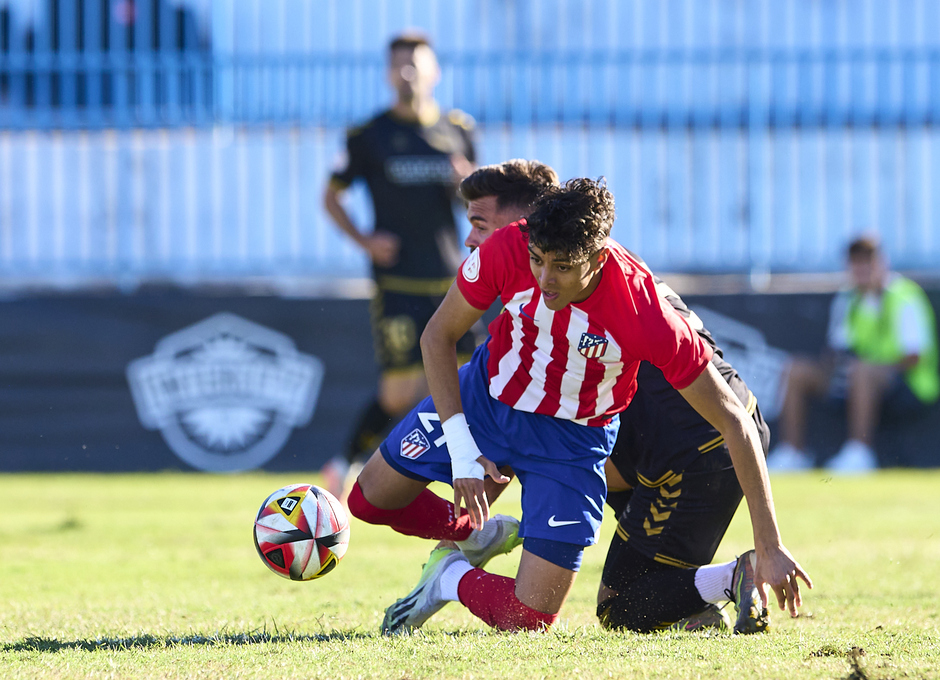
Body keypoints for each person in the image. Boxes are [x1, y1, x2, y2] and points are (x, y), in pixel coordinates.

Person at [346, 177, 810, 633]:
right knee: (368, 502)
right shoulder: (508, 246)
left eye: (563, 266)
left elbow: (734, 420)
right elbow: (437, 336)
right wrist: (463, 447)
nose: (546, 279)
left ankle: (448, 576)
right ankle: (479, 534)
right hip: (487, 398)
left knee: (529, 619)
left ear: (599, 257)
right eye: (538, 261)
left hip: (570, 440)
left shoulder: (644, 311)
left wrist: (768, 543)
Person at [320, 32, 479, 500]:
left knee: (474, 380)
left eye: (415, 64)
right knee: (397, 392)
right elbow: (331, 197)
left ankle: (470, 472)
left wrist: (464, 184)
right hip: (398, 281)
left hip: (454, 279)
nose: (406, 73)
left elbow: (478, 202)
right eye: (398, 65)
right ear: (388, 73)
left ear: (434, 72)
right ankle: (344, 462)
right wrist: (364, 240)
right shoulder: (368, 135)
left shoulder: (459, 128)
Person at [766, 236, 939, 474]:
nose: (862, 268)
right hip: (856, 379)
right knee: (796, 369)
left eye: (868, 261)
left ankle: (859, 453)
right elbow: (837, 350)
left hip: (910, 386)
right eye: (856, 262)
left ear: (882, 262)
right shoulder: (848, 299)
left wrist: (868, 368)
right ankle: (793, 453)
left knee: (862, 371)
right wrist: (836, 366)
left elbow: (914, 357)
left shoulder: (904, 296)